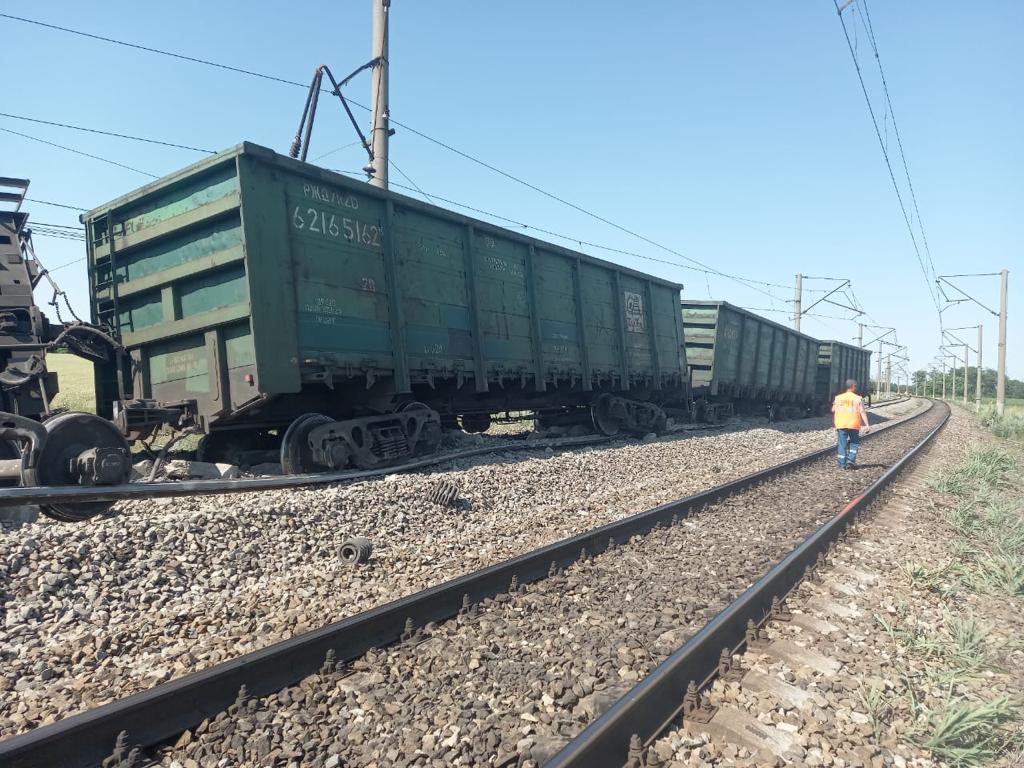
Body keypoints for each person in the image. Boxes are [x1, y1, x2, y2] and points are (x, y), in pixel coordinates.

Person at [832, 379, 870, 469]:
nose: (856, 387)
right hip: (854, 424)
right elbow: (862, 412)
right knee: (854, 442)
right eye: (855, 386)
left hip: (841, 424)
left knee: (842, 444)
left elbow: (833, 410)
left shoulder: (838, 398)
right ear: (853, 386)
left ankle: (842, 464)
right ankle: (851, 459)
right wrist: (867, 424)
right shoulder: (858, 398)